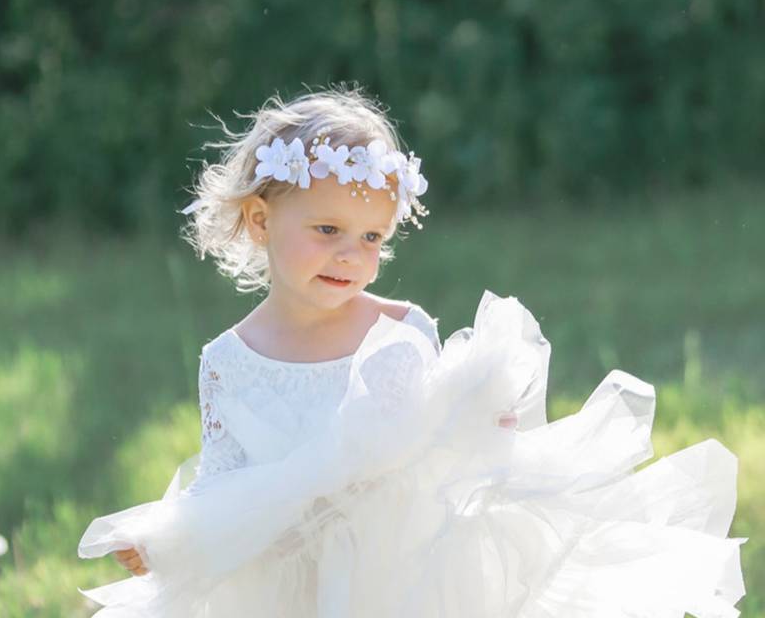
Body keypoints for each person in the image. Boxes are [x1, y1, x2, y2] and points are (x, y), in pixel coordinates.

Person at [77, 85, 747, 617]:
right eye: (329, 229)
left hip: (404, 571)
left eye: (371, 238)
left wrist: (481, 420)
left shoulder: (401, 330)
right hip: (286, 581)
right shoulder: (229, 359)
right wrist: (173, 542)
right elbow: (222, 478)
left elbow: (445, 442)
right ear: (260, 221)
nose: (352, 254)